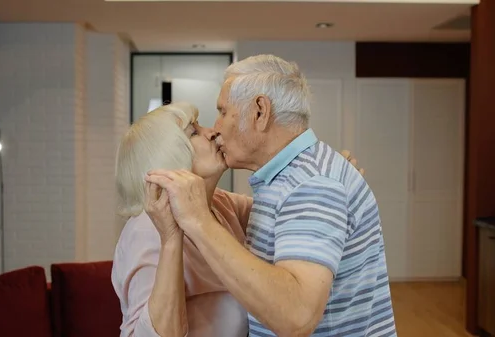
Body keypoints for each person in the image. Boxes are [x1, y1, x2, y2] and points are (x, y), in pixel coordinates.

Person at [145, 55, 397, 337]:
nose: (216, 127)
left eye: (223, 111)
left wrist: (199, 221)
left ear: (260, 112)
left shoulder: (311, 184)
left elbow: (296, 317)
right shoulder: (292, 179)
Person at [112, 102, 365, 337]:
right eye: (193, 133)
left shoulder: (220, 204)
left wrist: (323, 182)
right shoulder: (147, 230)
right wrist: (171, 239)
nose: (212, 132)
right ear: (167, 161)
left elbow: (287, 213)